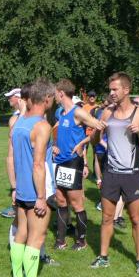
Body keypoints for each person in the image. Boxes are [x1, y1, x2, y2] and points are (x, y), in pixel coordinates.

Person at [90, 72, 139, 275]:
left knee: (136, 219)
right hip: (111, 173)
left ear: (126, 90)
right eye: (110, 89)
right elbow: (94, 142)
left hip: (132, 174)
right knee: (106, 218)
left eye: (115, 89)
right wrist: (97, 131)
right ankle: (103, 257)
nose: (111, 93)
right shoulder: (106, 113)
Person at [10, 79, 58, 277]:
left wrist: (15, 188)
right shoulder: (42, 126)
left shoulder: (19, 123)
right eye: (52, 98)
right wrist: (41, 197)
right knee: (37, 238)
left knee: (21, 232)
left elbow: (14, 158)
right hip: (37, 191)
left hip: (21, 189)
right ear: (47, 99)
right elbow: (38, 164)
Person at [52, 79, 104, 251]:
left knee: (76, 203)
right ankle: (61, 240)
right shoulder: (61, 112)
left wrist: (83, 143)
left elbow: (98, 126)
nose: (54, 96)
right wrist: (55, 144)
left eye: (55, 93)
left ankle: (81, 241)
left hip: (73, 161)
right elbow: (57, 130)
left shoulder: (78, 112)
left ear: (61, 93)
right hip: (60, 161)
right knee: (60, 200)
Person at [1, 87, 24, 219]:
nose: (8, 99)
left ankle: (17, 207)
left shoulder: (17, 118)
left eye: (11, 96)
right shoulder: (15, 117)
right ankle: (16, 206)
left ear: (18, 98)